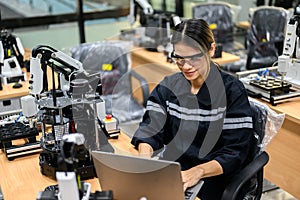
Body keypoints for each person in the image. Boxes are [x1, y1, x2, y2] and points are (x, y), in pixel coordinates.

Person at [131, 19, 255, 199]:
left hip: (214, 180)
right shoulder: (169, 86)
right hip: (174, 174)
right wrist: (144, 159)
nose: (186, 66)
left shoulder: (231, 92)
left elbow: (235, 153)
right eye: (179, 58)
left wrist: (197, 172)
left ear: (211, 49)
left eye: (195, 57)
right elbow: (151, 127)